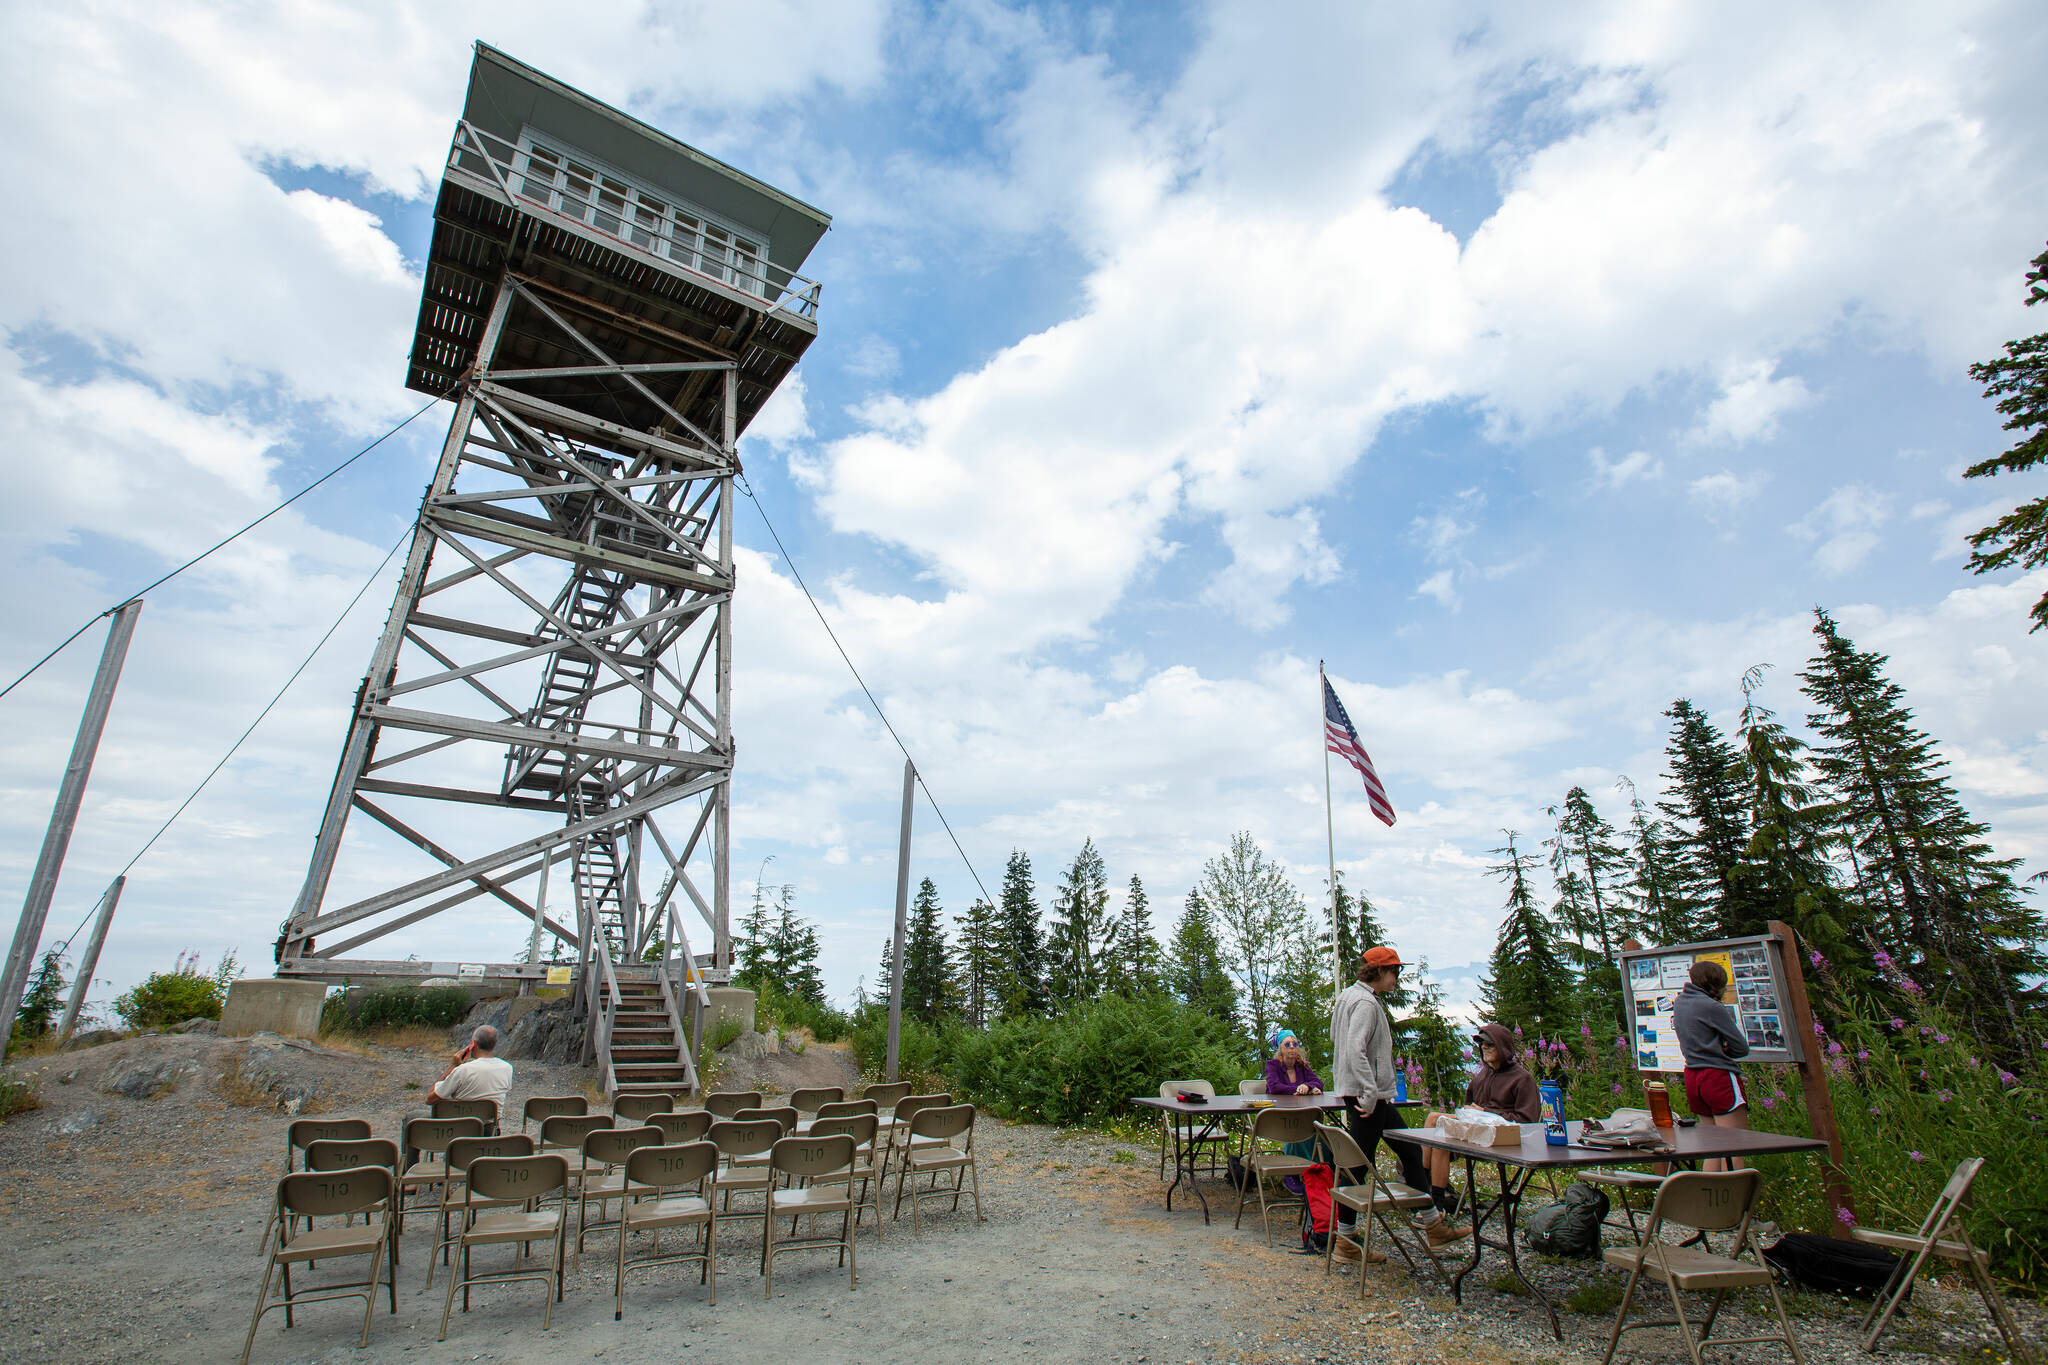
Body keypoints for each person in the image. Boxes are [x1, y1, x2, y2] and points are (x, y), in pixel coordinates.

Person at [1330, 945, 1461, 1259]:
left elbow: (1337, 1038)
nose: (1397, 979)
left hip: (1365, 1094)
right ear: (1377, 972)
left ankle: (1433, 1224)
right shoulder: (1364, 1002)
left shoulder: (1349, 996)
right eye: (1394, 972)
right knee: (1358, 1166)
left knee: (1410, 1150)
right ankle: (1346, 1240)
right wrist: (1370, 1091)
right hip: (1368, 1097)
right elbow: (1352, 1047)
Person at [1416, 1023, 1539, 1224]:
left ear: (1503, 1047)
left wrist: (1486, 1112)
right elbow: (1468, 1108)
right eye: (1481, 1044)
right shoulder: (1482, 1075)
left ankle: (1434, 1203)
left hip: (1503, 1140)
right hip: (1477, 1133)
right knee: (1434, 1120)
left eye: (1489, 1044)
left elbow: (1527, 1122)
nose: (1484, 1048)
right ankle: (1424, 1193)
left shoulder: (1522, 1079)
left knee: (1441, 1136)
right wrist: (1475, 1115)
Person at [1673, 960, 1750, 1171]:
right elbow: (1742, 1048)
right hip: (1719, 1076)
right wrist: (1725, 1049)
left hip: (1693, 1076)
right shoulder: (1712, 1006)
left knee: (1712, 1147)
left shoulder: (1680, 1003)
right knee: (1734, 1146)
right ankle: (1733, 1201)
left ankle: (1709, 1200)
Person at [430, 1025, 514, 1132]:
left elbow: (431, 1099)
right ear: (495, 1044)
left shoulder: (462, 1070)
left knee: (413, 1117)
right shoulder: (507, 1068)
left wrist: (452, 1066)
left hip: (458, 1131)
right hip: (489, 1131)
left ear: (473, 1044)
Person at [1265, 1029, 1325, 1095]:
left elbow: (1319, 1083)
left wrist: (1307, 1087)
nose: (1292, 1046)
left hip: (1302, 1104)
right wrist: (1300, 1089)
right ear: (1280, 1049)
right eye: (1287, 1044)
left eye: (1295, 1044)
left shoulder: (1303, 1064)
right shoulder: (1272, 1065)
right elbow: (1274, 1088)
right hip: (1279, 1104)